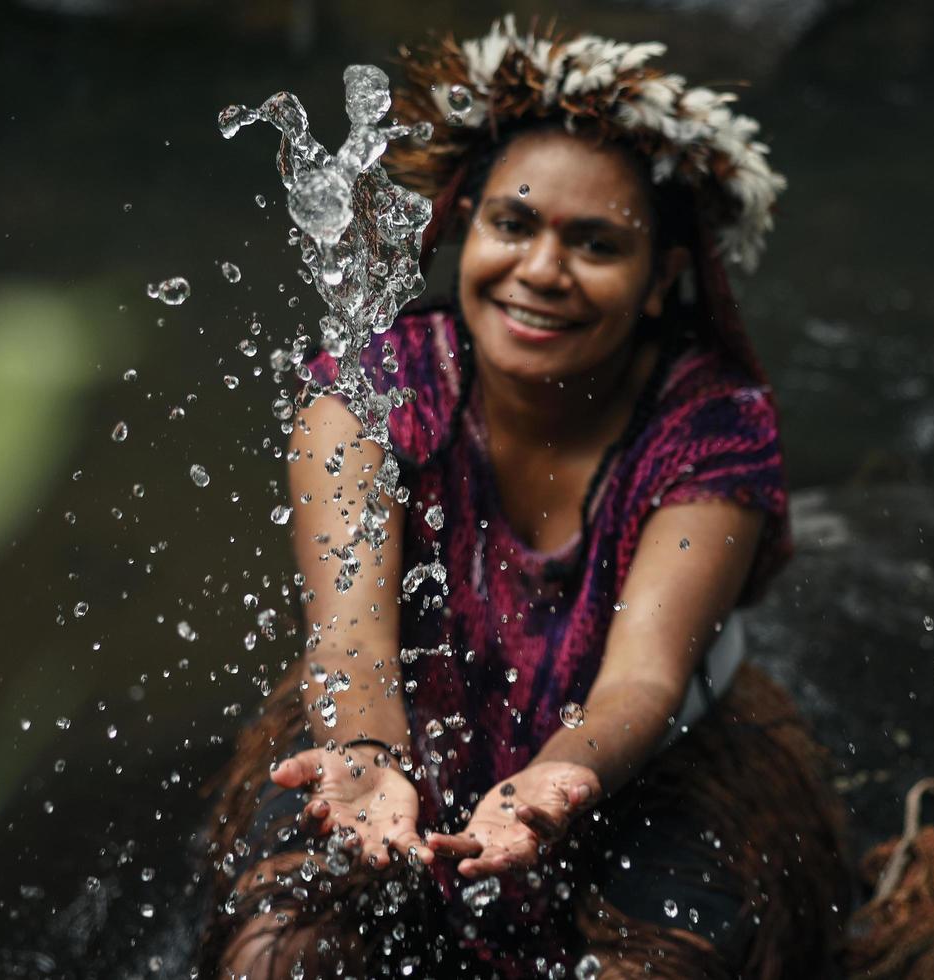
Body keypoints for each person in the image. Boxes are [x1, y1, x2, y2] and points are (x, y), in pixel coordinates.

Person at [201, 16, 851, 979]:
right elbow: (349, 644)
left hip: (639, 759)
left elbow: (642, 680)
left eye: (595, 244)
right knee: (272, 957)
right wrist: (372, 761)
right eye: (514, 224)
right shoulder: (365, 394)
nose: (541, 272)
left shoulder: (712, 428)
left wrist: (557, 780)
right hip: (392, 720)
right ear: (465, 227)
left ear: (665, 277)